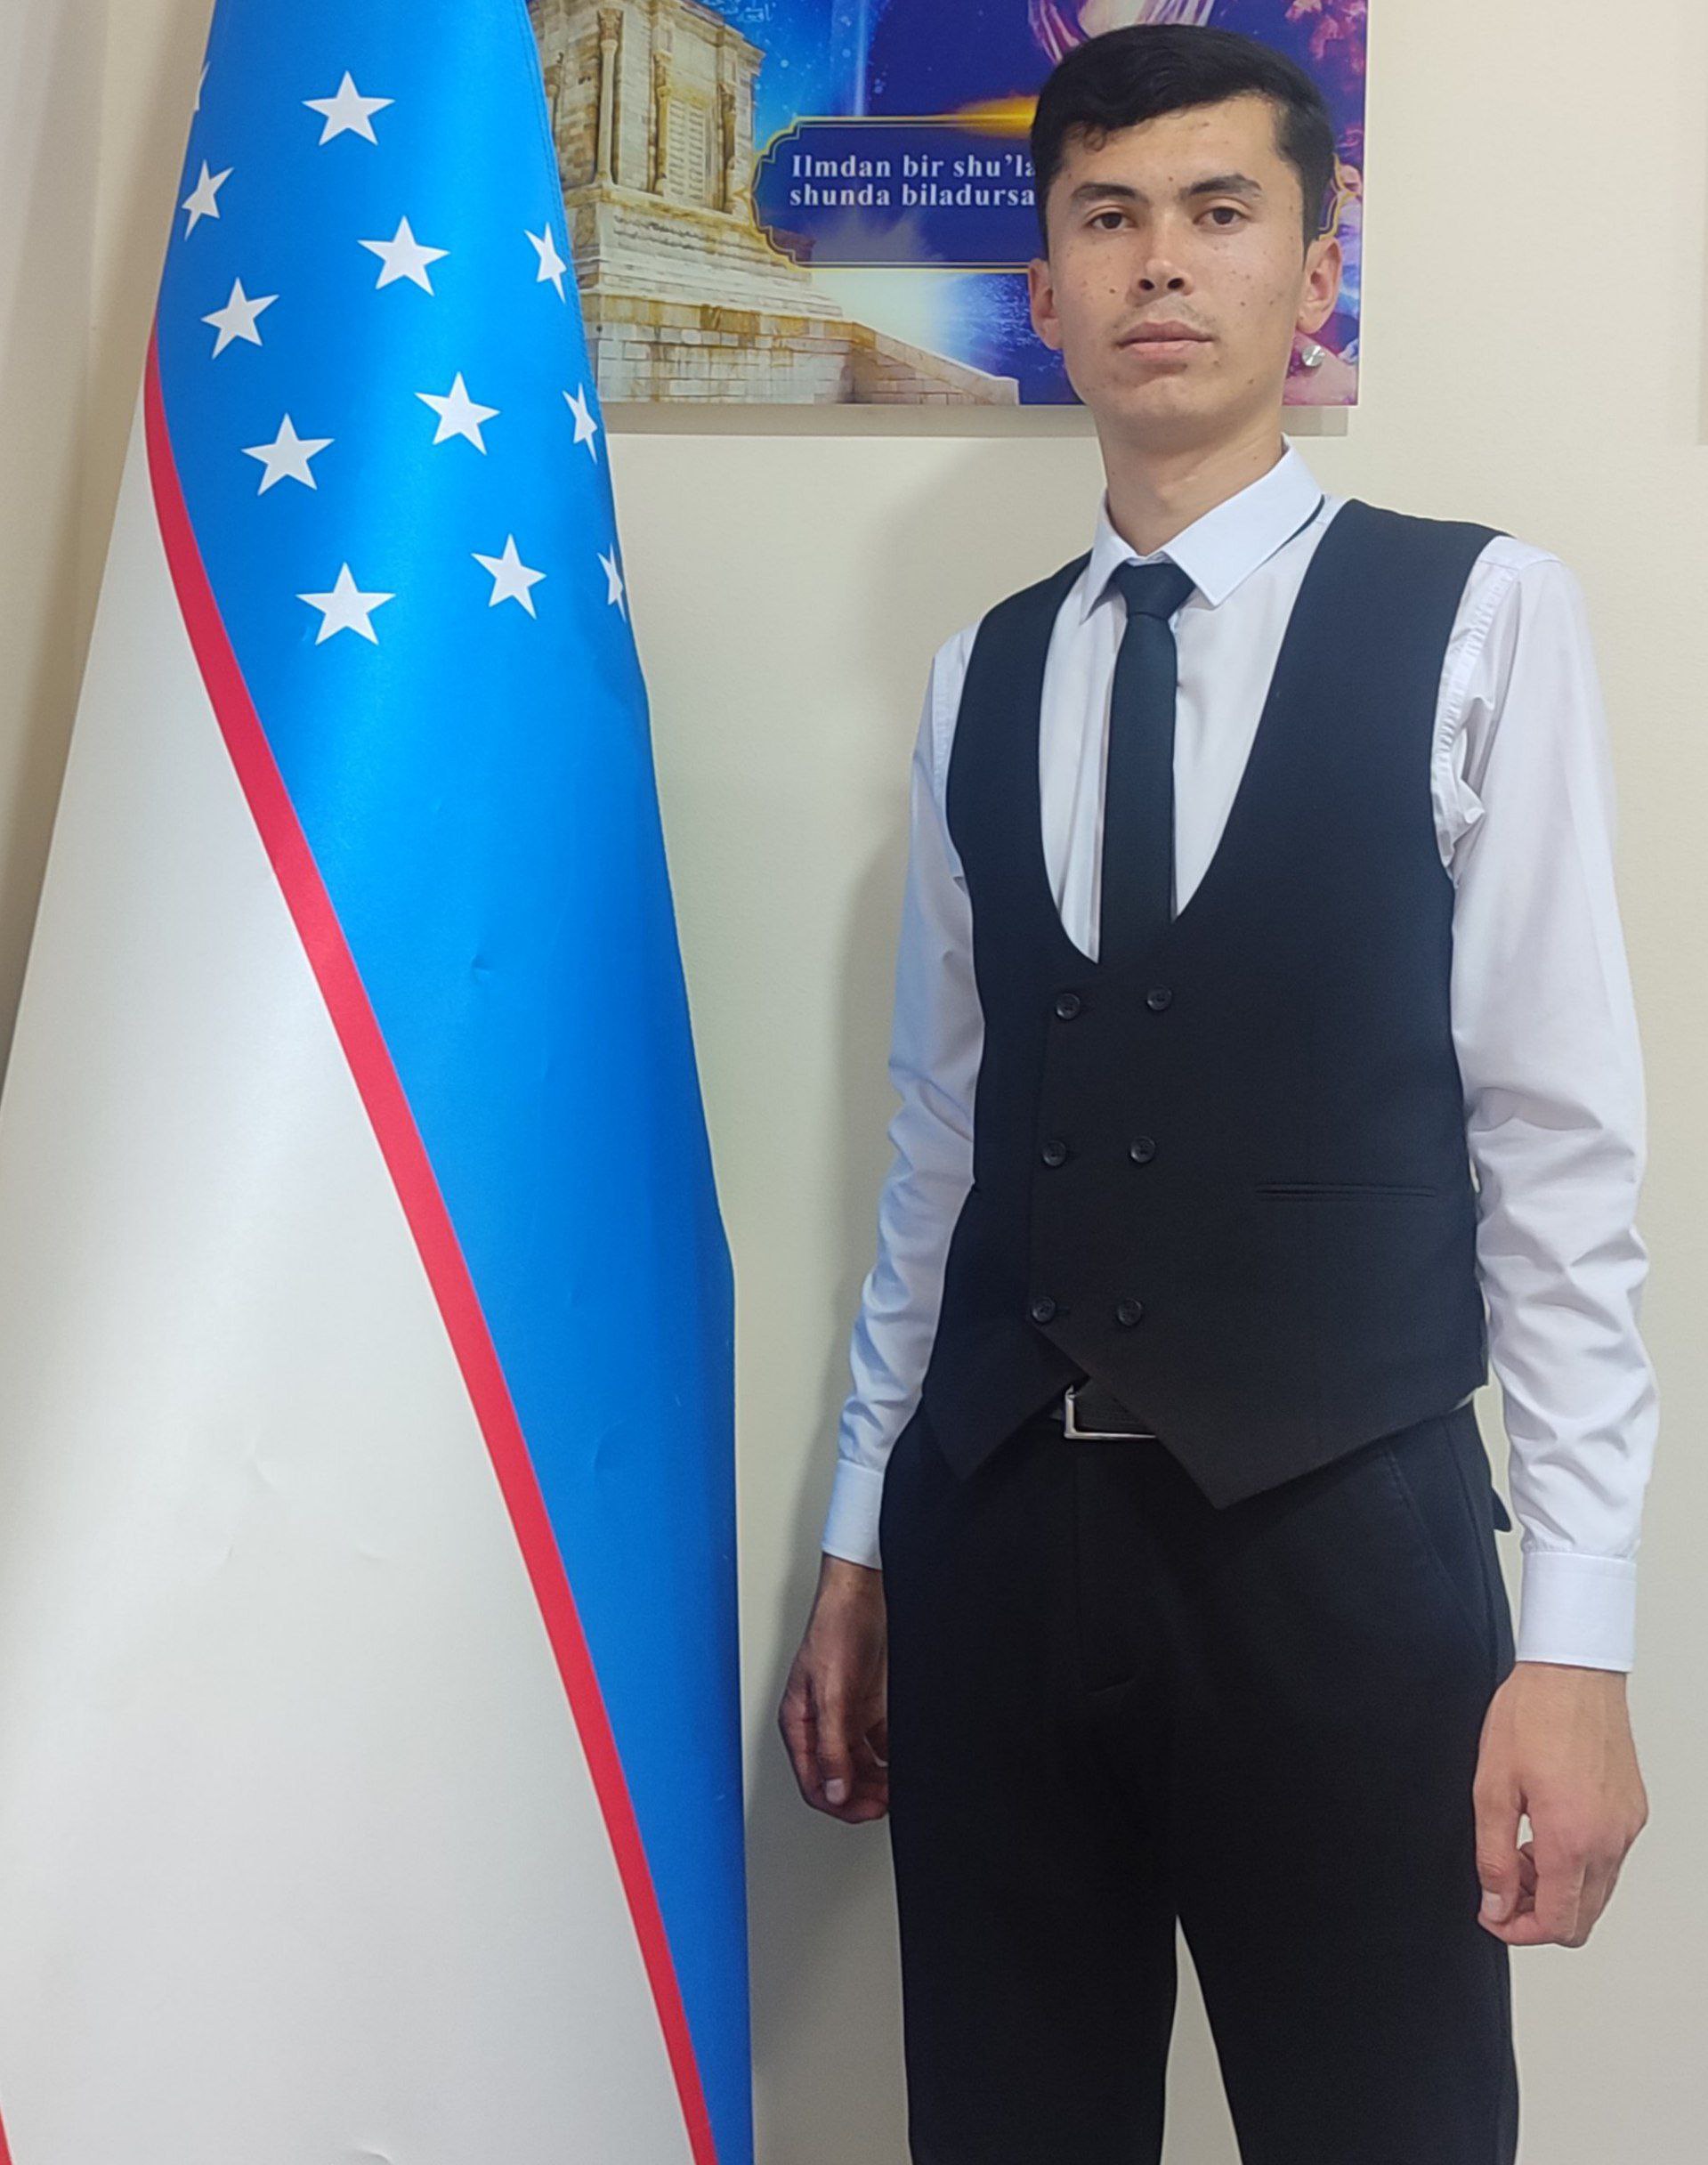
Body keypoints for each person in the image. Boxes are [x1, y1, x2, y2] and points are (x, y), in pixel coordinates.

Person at [777, 24, 1655, 2163]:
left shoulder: (1480, 618)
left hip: (1340, 1552)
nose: (1160, 261)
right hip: (999, 1541)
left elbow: (1559, 1150)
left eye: (1217, 209)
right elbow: (940, 1144)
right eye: (1107, 217)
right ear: (1047, 286)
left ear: (1312, 265)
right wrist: (864, 1535)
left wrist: (1581, 1640)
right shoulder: (982, 670)